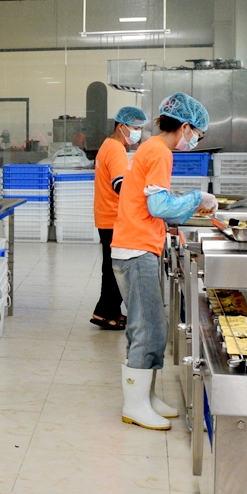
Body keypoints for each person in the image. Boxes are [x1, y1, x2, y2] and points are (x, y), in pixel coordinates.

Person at [111, 92, 216, 430]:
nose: (194, 141)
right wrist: (199, 198)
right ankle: (134, 405)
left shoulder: (151, 149)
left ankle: (145, 397)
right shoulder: (159, 151)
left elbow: (153, 200)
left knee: (149, 326)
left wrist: (184, 202)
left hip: (138, 245)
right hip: (136, 249)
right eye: (196, 135)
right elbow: (158, 207)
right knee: (148, 328)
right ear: (185, 126)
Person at [92, 106, 146, 331]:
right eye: (135, 127)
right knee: (115, 269)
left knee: (111, 266)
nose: (138, 132)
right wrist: (143, 198)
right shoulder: (115, 150)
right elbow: (119, 184)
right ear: (121, 125)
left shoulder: (108, 145)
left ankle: (109, 311)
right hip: (114, 218)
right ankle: (105, 313)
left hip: (106, 216)